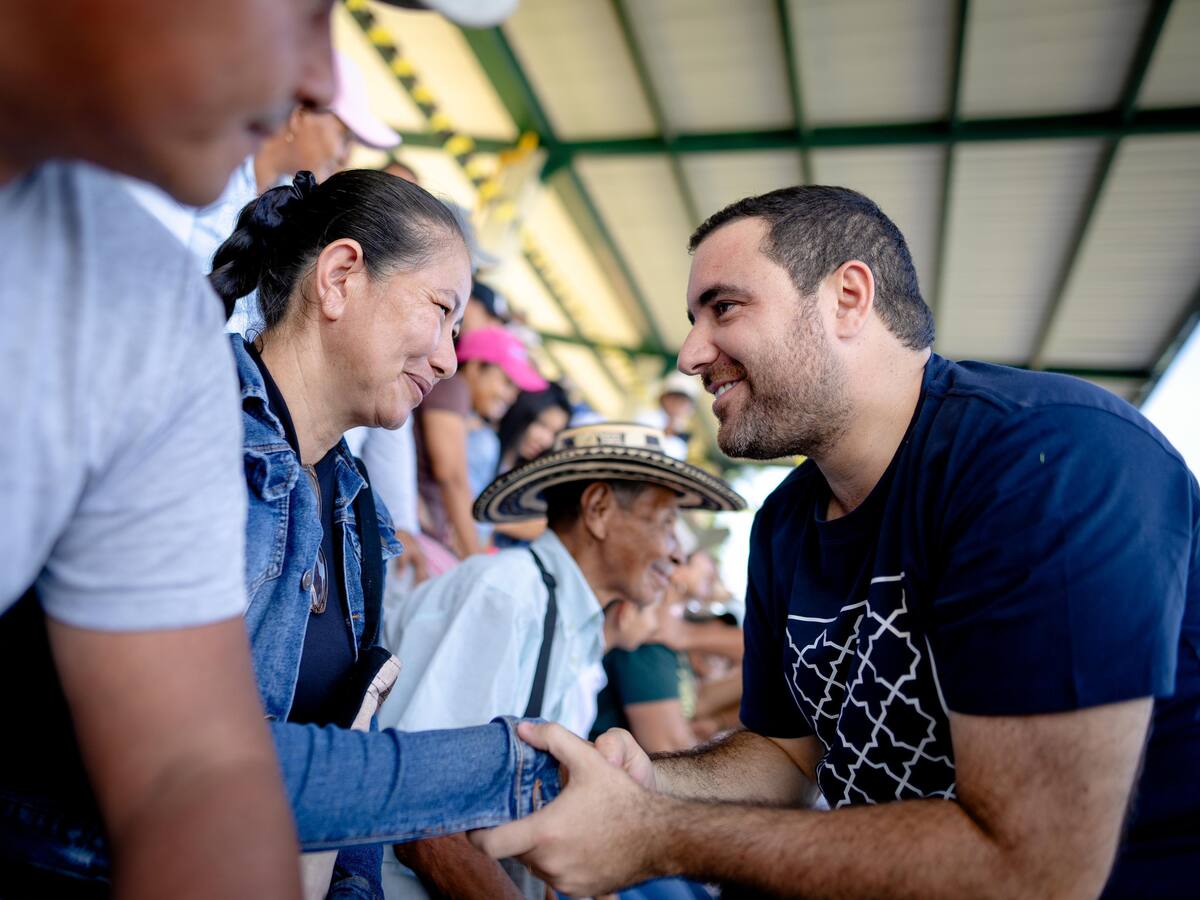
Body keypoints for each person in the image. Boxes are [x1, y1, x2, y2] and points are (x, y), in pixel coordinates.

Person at [470, 185, 1200, 900]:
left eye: (723, 308)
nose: (692, 354)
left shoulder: (1047, 461)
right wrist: (648, 777)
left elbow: (1034, 870)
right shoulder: (785, 523)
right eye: (693, 319)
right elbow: (787, 755)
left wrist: (656, 831)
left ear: (849, 297)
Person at [0, 1, 521, 896]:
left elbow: (202, 772)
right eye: (440, 313)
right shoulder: (196, 402)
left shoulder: (354, 509)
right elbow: (195, 761)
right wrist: (514, 768)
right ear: (341, 275)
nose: (448, 359)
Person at [378, 423, 745, 899]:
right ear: (598, 510)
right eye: (665, 522)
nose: (677, 553)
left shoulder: (573, 632)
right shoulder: (507, 597)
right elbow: (424, 817)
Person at [413, 325, 545, 566]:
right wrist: (474, 561)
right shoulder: (455, 386)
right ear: (475, 367)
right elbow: (452, 477)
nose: (511, 396)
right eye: (506, 381)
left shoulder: (465, 409)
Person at [491, 382, 574, 549]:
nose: (545, 440)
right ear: (525, 412)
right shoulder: (485, 444)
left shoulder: (526, 480)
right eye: (542, 425)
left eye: (554, 433)